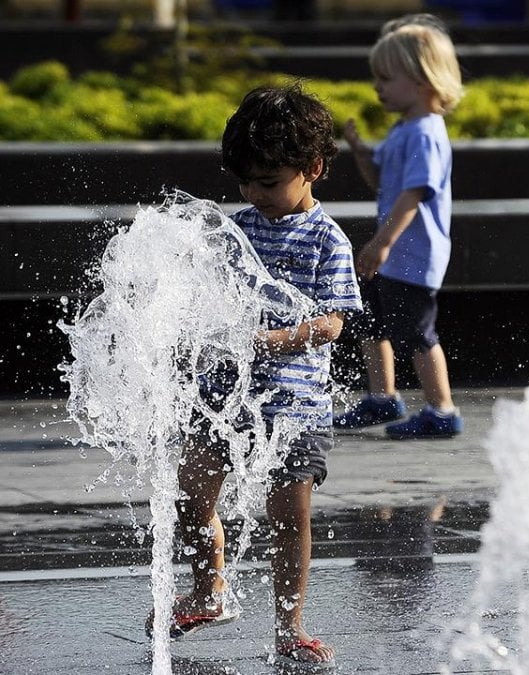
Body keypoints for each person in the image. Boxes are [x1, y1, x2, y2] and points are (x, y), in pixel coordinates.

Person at [146, 84, 361, 668]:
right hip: (223, 394)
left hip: (294, 406)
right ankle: (209, 587)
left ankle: (290, 628)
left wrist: (270, 341)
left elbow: (334, 323)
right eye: (244, 182)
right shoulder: (236, 228)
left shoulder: (327, 239)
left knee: (288, 519)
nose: (252, 194)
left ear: (312, 169)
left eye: (267, 182)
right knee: (190, 493)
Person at [336, 19, 466, 439]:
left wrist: (381, 242)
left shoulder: (426, 133)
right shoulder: (403, 130)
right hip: (394, 254)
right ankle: (383, 397)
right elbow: (382, 184)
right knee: (369, 320)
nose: (378, 87)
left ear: (423, 80)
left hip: (412, 256)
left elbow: (414, 194)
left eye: (386, 78)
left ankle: (441, 409)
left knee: (416, 332)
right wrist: (360, 153)